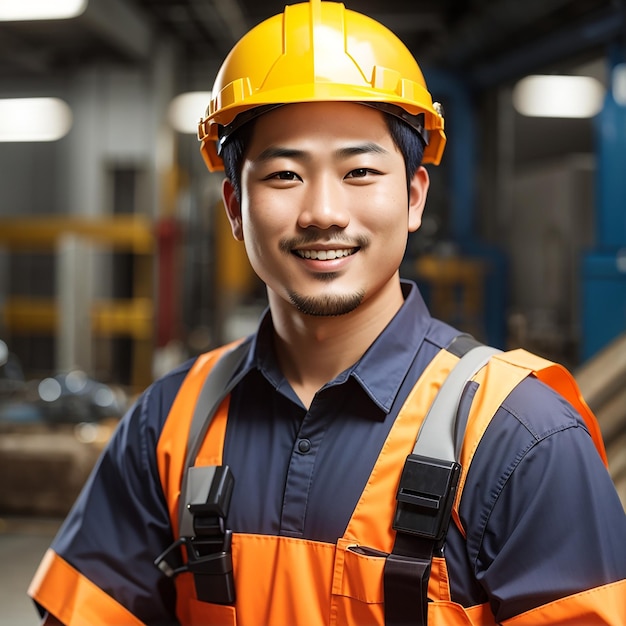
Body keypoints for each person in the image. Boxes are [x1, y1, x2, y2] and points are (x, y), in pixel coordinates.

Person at [29, 1, 626, 624]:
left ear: (414, 195)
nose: (322, 211)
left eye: (360, 170)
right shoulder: (169, 423)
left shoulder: (520, 438)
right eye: (285, 174)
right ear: (234, 206)